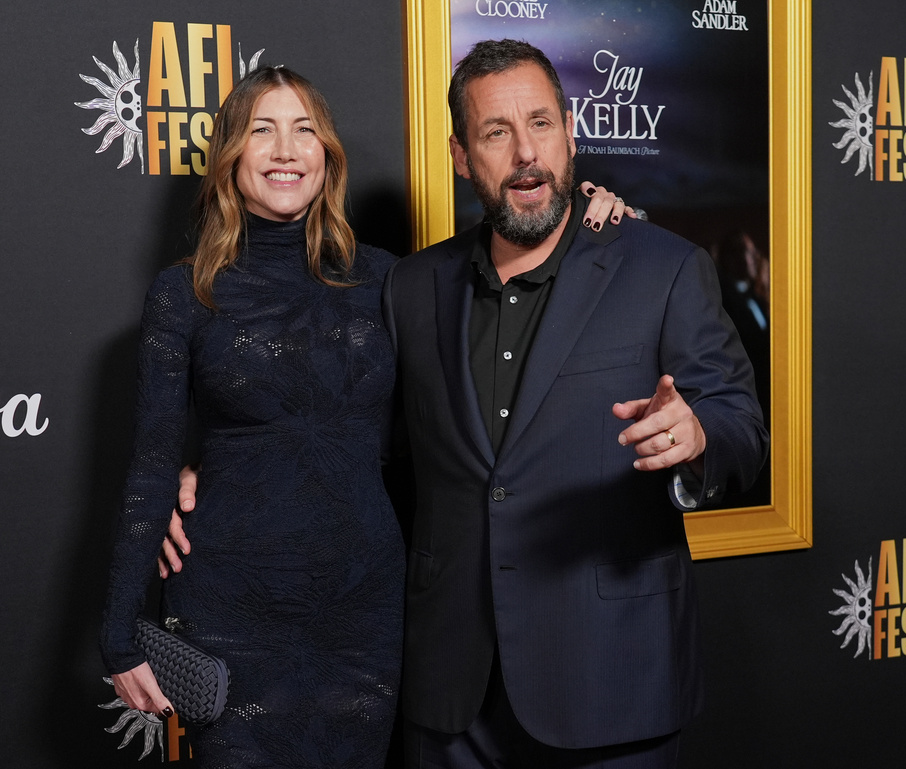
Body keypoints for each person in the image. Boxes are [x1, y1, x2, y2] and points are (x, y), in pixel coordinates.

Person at [104, 65, 630, 767]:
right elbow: (151, 463)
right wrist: (117, 635)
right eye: (263, 130)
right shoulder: (183, 292)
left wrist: (591, 214)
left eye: (304, 131)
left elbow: (514, 254)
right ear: (231, 154)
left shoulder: (389, 277)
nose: (287, 150)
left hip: (364, 609)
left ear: (327, 154)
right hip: (231, 607)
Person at [381, 40, 767, 767]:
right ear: (462, 155)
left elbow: (742, 427)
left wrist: (698, 437)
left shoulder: (664, 269)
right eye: (496, 133)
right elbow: (376, 451)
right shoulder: (410, 288)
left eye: (542, 124)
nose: (526, 153)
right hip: (452, 700)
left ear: (572, 131)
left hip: (611, 685)